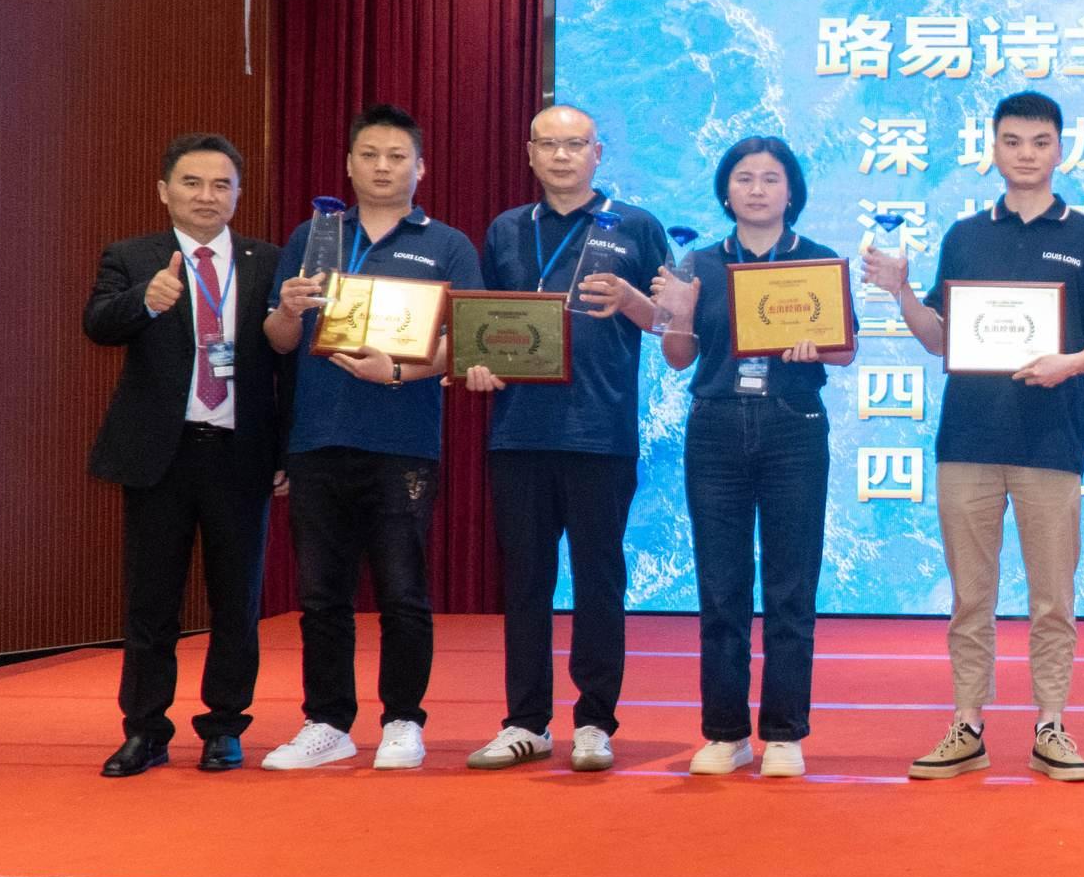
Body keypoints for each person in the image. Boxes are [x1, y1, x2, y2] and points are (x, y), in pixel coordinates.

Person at [863, 91, 1084, 783]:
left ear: (1060, 150)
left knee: (1053, 599)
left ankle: (1051, 725)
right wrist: (902, 294)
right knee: (970, 597)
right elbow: (941, 340)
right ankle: (968, 724)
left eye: (1039, 142)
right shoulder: (965, 236)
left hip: (1052, 441)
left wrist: (1067, 363)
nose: (1025, 153)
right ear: (993, 148)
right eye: (1012, 141)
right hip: (968, 441)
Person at [260, 103, 483, 771]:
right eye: (369, 155)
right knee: (321, 594)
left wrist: (400, 371)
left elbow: (467, 342)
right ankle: (327, 721)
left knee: (402, 591)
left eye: (396, 156)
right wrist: (287, 310)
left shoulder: (447, 245)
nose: (383, 167)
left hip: (402, 440)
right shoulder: (313, 236)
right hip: (317, 437)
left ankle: (403, 720)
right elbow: (278, 340)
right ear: (350, 164)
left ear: (421, 168)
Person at [463, 105, 669, 776]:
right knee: (525, 581)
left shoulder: (636, 225)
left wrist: (632, 299)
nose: (561, 155)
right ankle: (525, 722)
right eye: (548, 144)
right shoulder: (506, 229)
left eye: (574, 144)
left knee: (599, 579)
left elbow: (673, 326)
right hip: (518, 430)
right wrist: (478, 363)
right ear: (529, 153)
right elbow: (482, 323)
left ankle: (594, 722)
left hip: (600, 431)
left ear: (597, 153)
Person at [82, 134, 287, 776]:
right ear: (164, 190)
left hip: (239, 454)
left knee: (237, 601)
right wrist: (144, 301)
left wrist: (286, 450)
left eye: (221, 185)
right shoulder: (133, 256)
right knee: (152, 603)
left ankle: (225, 726)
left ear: (238, 195)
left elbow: (287, 365)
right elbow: (98, 324)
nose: (207, 196)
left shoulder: (266, 261)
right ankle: (145, 730)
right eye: (192, 183)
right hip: (158, 457)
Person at [650, 136, 854, 778]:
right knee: (721, 587)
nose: (757, 189)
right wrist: (679, 314)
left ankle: (785, 733)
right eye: (744, 178)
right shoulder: (697, 263)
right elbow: (678, 358)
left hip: (794, 426)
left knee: (792, 586)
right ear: (725, 190)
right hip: (715, 427)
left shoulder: (817, 261)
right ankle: (726, 732)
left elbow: (846, 351)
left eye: (771, 178)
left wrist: (816, 347)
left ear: (792, 191)